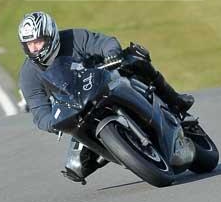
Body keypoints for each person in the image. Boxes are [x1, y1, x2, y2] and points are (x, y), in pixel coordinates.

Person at [18, 10, 194, 184]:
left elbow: (104, 42)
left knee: (135, 57)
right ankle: (121, 152)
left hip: (104, 81)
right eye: (29, 44)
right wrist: (52, 124)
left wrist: (111, 52)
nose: (34, 48)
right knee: (75, 166)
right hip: (76, 109)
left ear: (51, 36)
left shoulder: (73, 37)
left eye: (38, 42)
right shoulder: (27, 76)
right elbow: (39, 110)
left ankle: (175, 101)